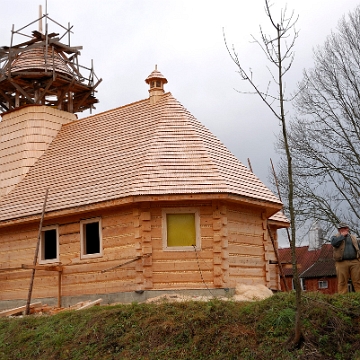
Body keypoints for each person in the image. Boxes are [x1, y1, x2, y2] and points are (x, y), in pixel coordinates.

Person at [331, 222, 360, 294]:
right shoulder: (335, 237)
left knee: (357, 280)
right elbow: (334, 243)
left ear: (347, 229)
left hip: (355, 261)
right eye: (340, 229)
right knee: (342, 281)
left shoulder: (353, 237)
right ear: (338, 230)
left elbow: (358, 247)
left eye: (344, 228)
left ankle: (358, 295)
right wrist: (342, 236)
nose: (342, 230)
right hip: (341, 262)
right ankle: (343, 297)